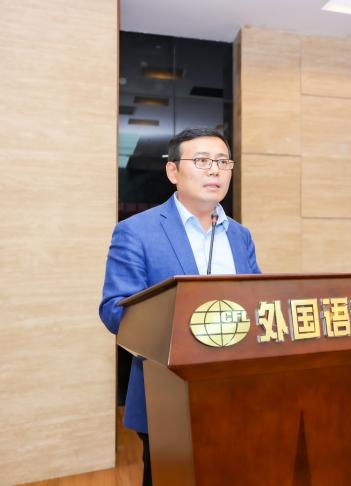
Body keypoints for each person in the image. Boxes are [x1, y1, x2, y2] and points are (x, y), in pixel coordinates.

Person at [99, 128, 261, 485]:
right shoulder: (136, 231)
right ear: (173, 171)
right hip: (166, 398)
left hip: (237, 393)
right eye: (202, 161)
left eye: (223, 162)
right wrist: (188, 322)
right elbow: (114, 310)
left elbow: (259, 303)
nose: (215, 170)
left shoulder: (240, 235)